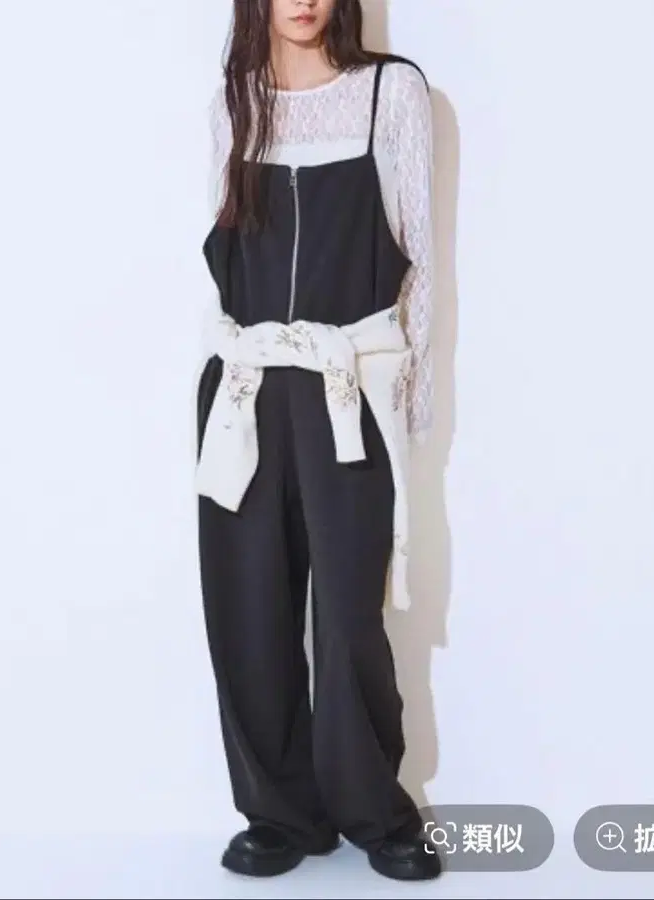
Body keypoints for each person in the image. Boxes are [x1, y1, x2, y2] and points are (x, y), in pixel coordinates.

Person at [194, 0, 439, 882]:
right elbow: (221, 258)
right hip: (247, 386)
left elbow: (418, 255)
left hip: (349, 387)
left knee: (347, 611)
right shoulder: (235, 99)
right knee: (247, 602)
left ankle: (375, 809)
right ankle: (279, 812)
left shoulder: (389, 93)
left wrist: (407, 401)